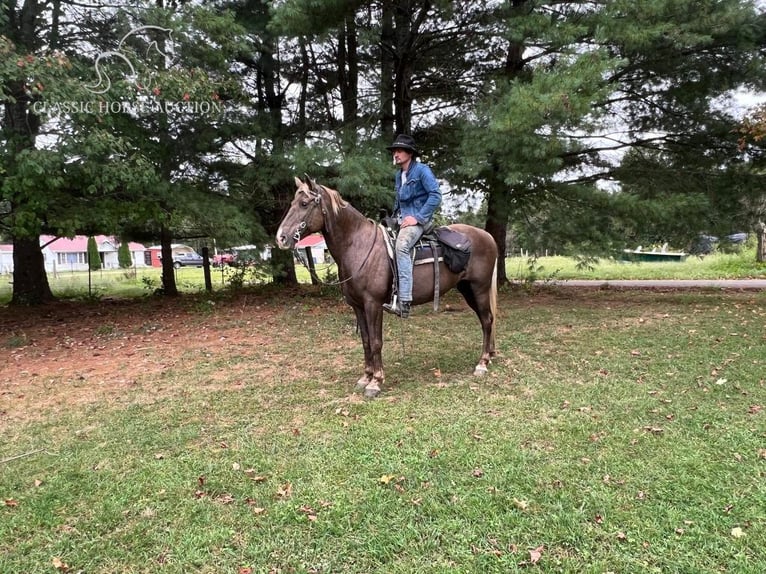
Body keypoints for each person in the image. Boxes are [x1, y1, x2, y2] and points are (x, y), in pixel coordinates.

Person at [382, 134, 442, 318]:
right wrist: (391, 219)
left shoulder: (422, 171)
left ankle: (404, 301)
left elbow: (435, 196)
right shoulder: (399, 175)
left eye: (399, 151)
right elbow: (400, 202)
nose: (396, 154)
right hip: (402, 220)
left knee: (401, 246)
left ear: (409, 153)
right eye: (394, 151)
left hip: (418, 221)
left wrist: (417, 218)